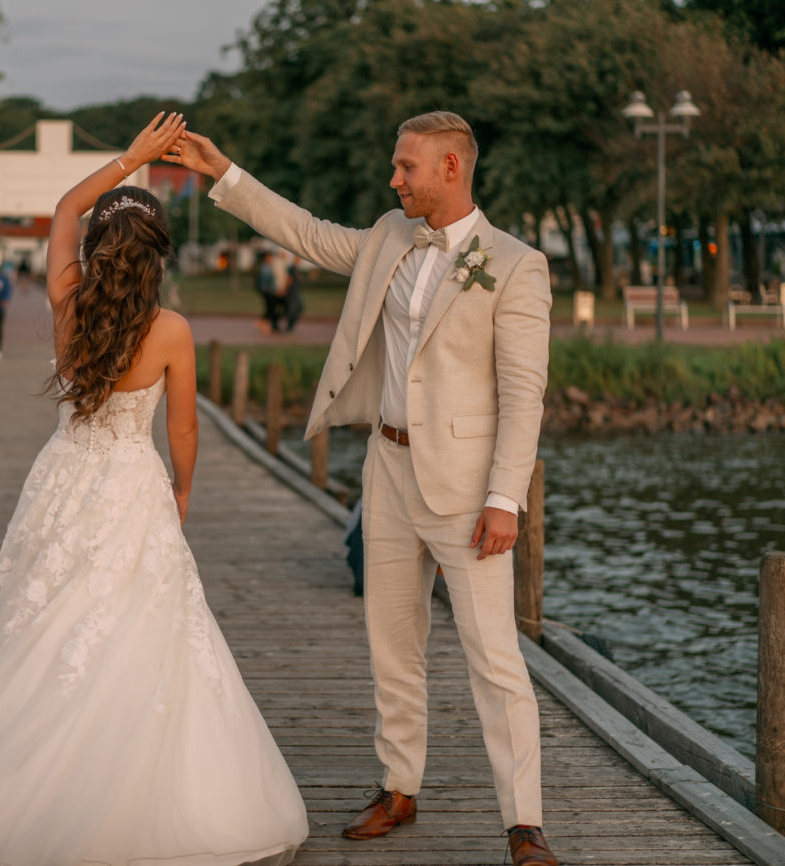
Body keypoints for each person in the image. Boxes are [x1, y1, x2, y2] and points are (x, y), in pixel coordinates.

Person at [0, 112, 307, 866]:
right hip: (133, 480)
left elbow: (67, 208)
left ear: (99, 248)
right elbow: (186, 432)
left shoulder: (67, 298)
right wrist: (184, 493)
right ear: (159, 255)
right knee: (137, 616)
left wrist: (128, 161)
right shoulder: (173, 331)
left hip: (66, 476)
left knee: (46, 613)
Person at [166, 111, 558, 866]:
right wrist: (224, 174)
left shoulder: (515, 264)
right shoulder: (386, 235)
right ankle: (399, 787)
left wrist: (506, 500)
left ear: (451, 168)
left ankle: (525, 823)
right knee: (392, 641)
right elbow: (308, 233)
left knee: (495, 658)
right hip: (387, 466)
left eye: (406, 167)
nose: (394, 179)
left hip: (470, 490)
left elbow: (523, 391)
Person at [255, 250, 283, 334]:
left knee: (270, 309)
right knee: (270, 308)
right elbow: (267, 281)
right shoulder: (265, 267)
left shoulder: (269, 266)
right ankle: (266, 325)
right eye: (269, 257)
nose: (270, 258)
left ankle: (268, 325)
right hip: (267, 291)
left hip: (269, 291)